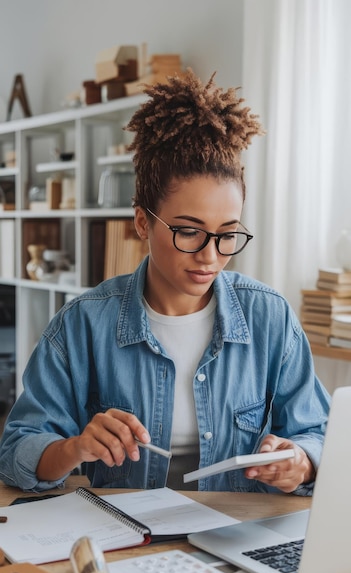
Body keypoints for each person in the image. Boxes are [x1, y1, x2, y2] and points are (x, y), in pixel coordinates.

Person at [0, 70, 330, 495]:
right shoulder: (82, 325)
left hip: (236, 537)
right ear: (143, 222)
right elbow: (15, 453)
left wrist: (300, 462)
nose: (211, 256)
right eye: (189, 231)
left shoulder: (270, 317)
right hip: (127, 540)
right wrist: (76, 448)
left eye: (227, 233)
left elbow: (316, 434)